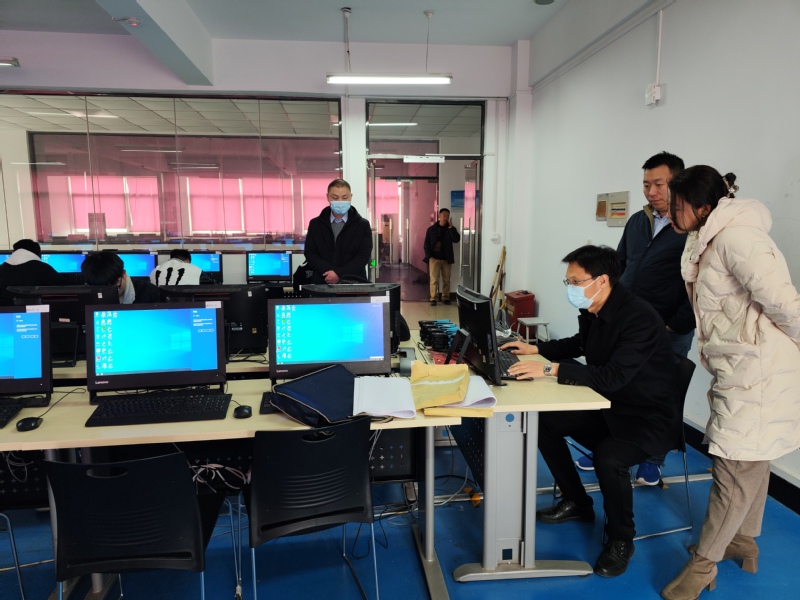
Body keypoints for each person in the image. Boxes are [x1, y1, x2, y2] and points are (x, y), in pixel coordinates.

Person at [660, 167, 800, 600]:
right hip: (739, 366)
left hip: (759, 372)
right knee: (752, 461)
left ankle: (703, 566)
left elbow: (785, 304)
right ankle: (742, 541)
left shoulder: (739, 238)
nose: (670, 211)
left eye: (678, 204)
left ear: (704, 207)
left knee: (734, 469)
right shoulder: (708, 237)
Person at [501, 245, 679, 578]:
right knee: (545, 422)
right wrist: (535, 348)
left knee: (609, 458)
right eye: (567, 281)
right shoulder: (594, 309)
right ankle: (578, 503)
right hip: (609, 406)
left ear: (602, 280)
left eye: (575, 281)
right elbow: (579, 344)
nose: (570, 288)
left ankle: (622, 540)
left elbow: (612, 377)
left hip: (646, 418)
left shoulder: (638, 317)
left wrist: (550, 369)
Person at [577, 151, 695, 485]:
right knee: (618, 386)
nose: (651, 191)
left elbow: (697, 283)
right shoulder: (637, 221)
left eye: (659, 184)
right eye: (646, 184)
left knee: (661, 392)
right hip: (626, 323)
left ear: (677, 183)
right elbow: (618, 265)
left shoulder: (690, 228)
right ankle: (610, 445)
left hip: (667, 328)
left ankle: (652, 458)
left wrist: (675, 323)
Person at [304, 178, 372, 285]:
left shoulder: (363, 225)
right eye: (335, 197)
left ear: (351, 197)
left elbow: (363, 256)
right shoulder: (315, 224)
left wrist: (338, 274)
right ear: (328, 197)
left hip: (354, 284)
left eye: (345, 197)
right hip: (323, 282)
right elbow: (310, 253)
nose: (340, 201)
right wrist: (330, 273)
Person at [81, 250, 160, 304]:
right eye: (104, 289)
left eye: (116, 287)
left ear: (124, 274)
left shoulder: (150, 293)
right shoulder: (85, 296)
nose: (112, 292)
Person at [423, 208, 460, 306]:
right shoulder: (431, 229)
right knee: (434, 280)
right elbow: (426, 244)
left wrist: (451, 229)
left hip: (446, 259)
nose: (446, 218)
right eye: (444, 215)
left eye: (447, 216)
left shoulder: (450, 229)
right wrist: (429, 256)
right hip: (434, 258)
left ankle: (445, 297)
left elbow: (456, 239)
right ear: (439, 216)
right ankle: (433, 298)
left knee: (446, 280)